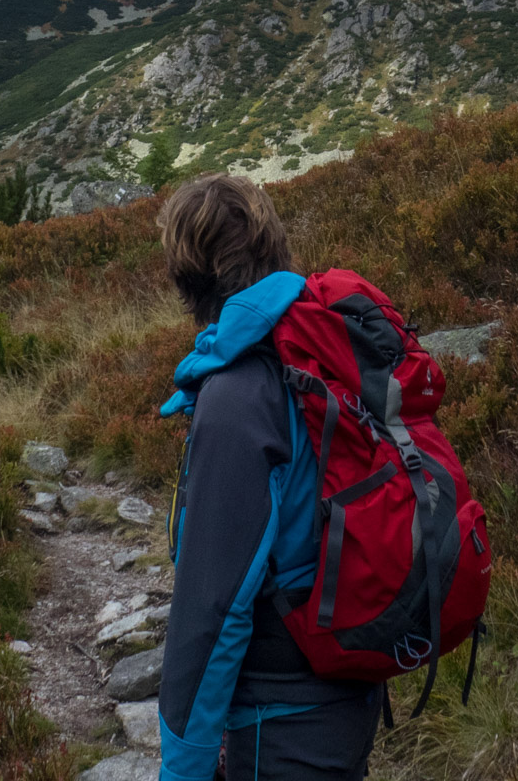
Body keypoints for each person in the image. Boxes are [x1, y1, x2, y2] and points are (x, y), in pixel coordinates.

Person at [153, 175, 385, 781]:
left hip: (280, 724)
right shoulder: (316, 348)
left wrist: (183, 769)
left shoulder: (237, 397)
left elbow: (214, 607)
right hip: (343, 698)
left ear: (187, 277)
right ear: (275, 247)